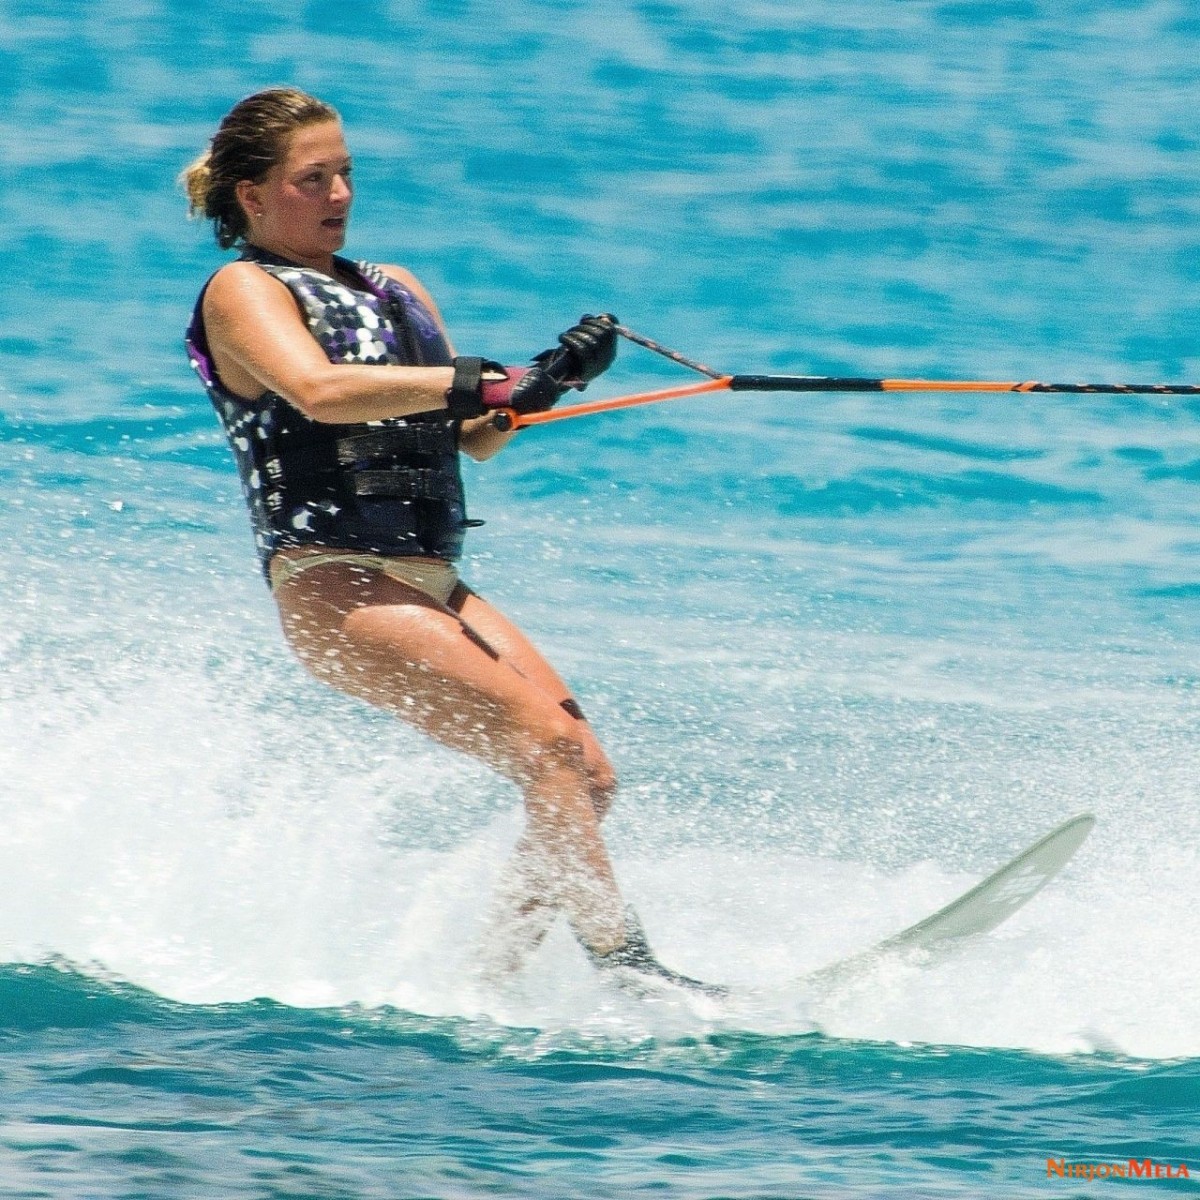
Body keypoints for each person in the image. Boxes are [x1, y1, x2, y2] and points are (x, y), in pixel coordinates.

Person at [181, 87, 718, 997]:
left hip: (433, 579)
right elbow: (318, 390)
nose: (341, 194)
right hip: (334, 580)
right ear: (253, 197)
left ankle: (488, 985)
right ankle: (629, 971)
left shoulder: (396, 286)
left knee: (583, 773)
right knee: (545, 747)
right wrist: (477, 380)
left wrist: (538, 387)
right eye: (314, 179)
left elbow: (470, 434)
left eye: (346, 172)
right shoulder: (245, 289)